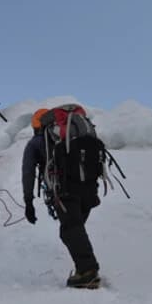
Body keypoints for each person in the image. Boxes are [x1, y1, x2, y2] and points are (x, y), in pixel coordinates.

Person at [22, 106, 102, 289]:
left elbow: (28, 173)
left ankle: (88, 272)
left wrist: (28, 202)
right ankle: (84, 269)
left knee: (70, 229)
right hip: (89, 187)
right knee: (75, 228)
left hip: (65, 189)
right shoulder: (74, 136)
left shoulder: (35, 143)